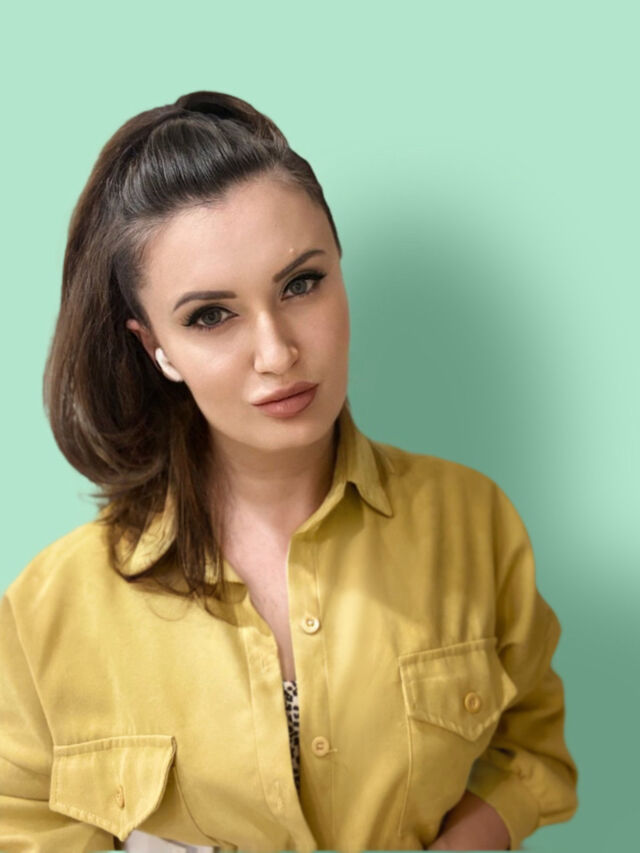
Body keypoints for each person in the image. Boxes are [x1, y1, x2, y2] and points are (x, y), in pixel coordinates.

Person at [0, 90, 578, 853]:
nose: (277, 352)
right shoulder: (51, 609)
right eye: (211, 315)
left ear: (340, 271)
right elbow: (20, 819)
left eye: (302, 283)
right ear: (156, 347)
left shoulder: (474, 523)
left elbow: (529, 750)